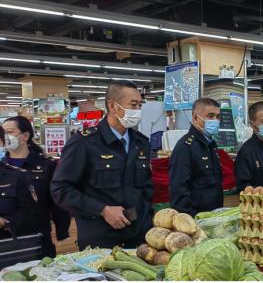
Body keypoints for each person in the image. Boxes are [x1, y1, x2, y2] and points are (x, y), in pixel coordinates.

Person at [51, 80, 153, 250]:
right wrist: (102, 210)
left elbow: (146, 189)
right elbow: (60, 189)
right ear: (112, 106)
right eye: (133, 105)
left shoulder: (141, 142)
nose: (137, 111)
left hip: (139, 237)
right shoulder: (84, 143)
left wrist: (148, 221)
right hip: (101, 241)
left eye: (140, 105)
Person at [2, 116, 70, 257]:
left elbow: (57, 201)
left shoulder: (47, 166)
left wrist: (62, 232)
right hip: (6, 237)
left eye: (10, 132)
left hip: (37, 236)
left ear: (25, 135)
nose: (5, 136)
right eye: (3, 132)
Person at [169, 98, 223, 216]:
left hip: (212, 217)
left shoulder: (211, 145)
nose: (215, 120)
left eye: (218, 117)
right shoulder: (186, 147)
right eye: (210, 116)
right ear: (195, 117)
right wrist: (191, 220)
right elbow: (179, 189)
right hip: (196, 219)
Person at [0, 126, 41, 240]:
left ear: (3, 143)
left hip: (8, 246)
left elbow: (31, 214)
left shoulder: (19, 176)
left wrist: (6, 222)